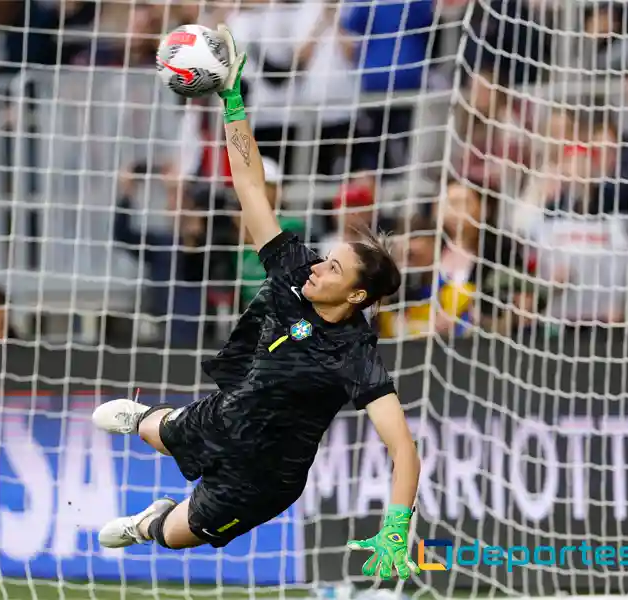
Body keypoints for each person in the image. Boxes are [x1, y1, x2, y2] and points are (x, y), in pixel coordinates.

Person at [90, 28, 421, 581]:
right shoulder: (295, 269)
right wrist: (234, 101)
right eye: (325, 259)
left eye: (333, 269)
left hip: (265, 478)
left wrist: (395, 527)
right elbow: (249, 185)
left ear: (358, 296)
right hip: (221, 417)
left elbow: (403, 450)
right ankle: (146, 416)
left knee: (173, 537)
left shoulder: (355, 354)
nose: (318, 266)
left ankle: (152, 520)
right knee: (154, 432)